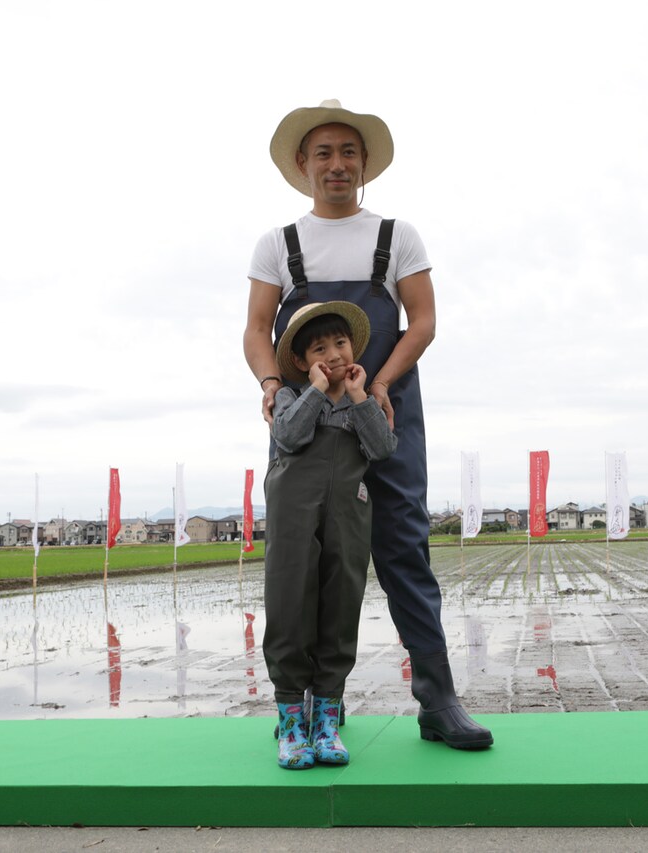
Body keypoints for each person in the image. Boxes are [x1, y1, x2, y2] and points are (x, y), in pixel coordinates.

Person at [244, 100, 494, 750]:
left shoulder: (396, 236)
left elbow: (423, 320)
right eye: (323, 153)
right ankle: (319, 707)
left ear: (364, 164)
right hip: (307, 429)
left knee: (405, 549)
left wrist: (381, 382)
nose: (336, 164)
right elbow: (255, 328)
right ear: (303, 164)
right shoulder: (279, 244)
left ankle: (438, 699)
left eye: (347, 152)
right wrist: (273, 383)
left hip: (388, 412)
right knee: (308, 565)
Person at [264, 300, 397, 769]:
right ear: (301, 362)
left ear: (353, 346)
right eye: (319, 348)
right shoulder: (289, 397)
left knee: (342, 601)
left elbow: (382, 448)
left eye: (340, 343)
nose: (334, 354)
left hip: (348, 511)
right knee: (289, 602)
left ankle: (326, 718)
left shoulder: (365, 402)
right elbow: (289, 437)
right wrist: (317, 390)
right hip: (294, 512)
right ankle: (290, 719)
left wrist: (361, 397)